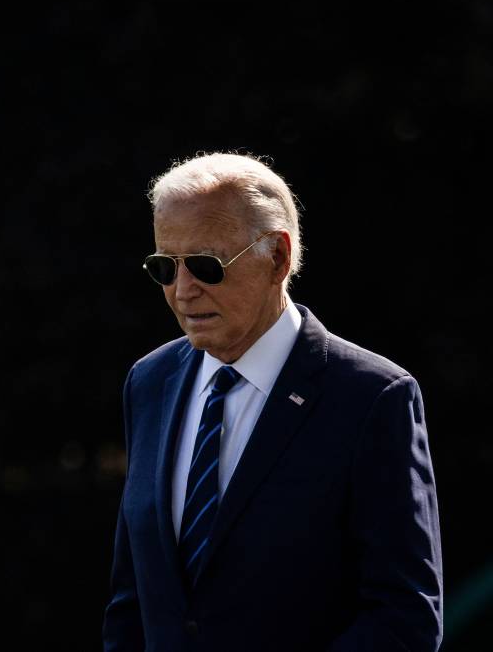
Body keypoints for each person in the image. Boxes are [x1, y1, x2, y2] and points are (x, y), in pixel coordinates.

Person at [102, 153, 442, 651]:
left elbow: (405, 617)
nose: (182, 291)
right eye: (163, 268)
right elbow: (132, 601)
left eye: (204, 265)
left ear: (278, 258)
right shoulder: (149, 382)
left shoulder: (372, 397)